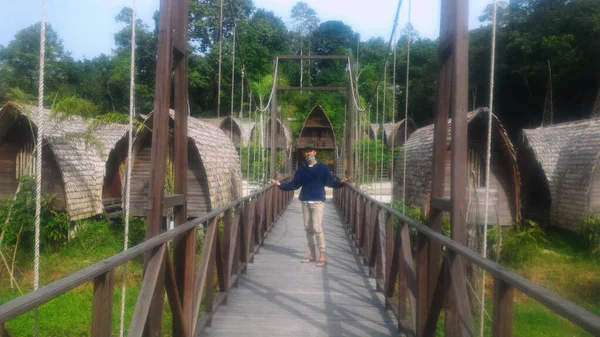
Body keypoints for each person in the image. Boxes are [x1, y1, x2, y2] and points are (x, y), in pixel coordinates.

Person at [271, 144, 348, 267]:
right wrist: (280, 184)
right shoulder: (302, 169)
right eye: (306, 152)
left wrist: (341, 184)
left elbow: (330, 182)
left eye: (310, 151)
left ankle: (322, 256)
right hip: (305, 201)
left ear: (315, 152)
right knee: (308, 229)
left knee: (317, 229)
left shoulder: (322, 167)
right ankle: (312, 255)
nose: (308, 154)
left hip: (317, 202)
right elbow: (294, 185)